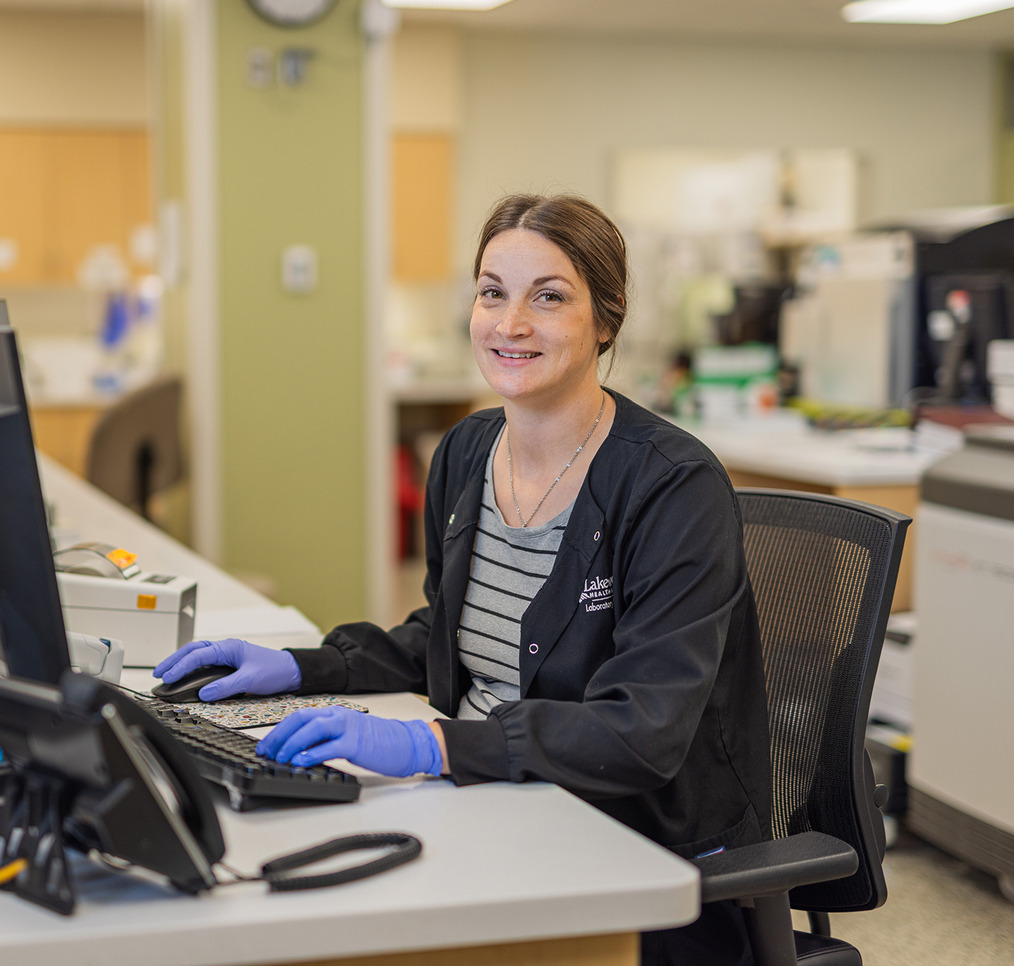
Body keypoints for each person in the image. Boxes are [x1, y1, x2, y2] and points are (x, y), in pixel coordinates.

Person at [154, 193, 771, 965]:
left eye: (549, 297)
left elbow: (642, 730)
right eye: (492, 292)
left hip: (621, 839)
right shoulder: (466, 453)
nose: (510, 324)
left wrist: (431, 746)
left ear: (606, 321)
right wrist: (297, 667)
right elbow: (445, 640)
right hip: (489, 803)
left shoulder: (672, 486)